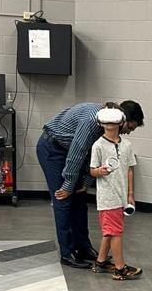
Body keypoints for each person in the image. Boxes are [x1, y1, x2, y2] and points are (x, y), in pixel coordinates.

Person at [36, 99, 144, 268]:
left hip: (68, 150)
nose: (128, 132)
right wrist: (68, 185)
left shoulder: (106, 127)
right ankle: (67, 253)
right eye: (129, 127)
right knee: (63, 199)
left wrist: (86, 183)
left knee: (80, 198)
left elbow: (90, 158)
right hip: (53, 148)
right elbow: (77, 153)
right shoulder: (93, 121)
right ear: (121, 119)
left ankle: (83, 248)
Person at [89, 105, 142, 280]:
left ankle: (101, 262)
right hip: (107, 197)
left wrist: (130, 194)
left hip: (121, 197)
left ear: (121, 123)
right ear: (101, 123)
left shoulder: (127, 145)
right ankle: (120, 268)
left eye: (113, 122)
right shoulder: (98, 145)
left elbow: (129, 169)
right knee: (116, 232)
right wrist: (99, 171)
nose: (109, 125)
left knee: (110, 231)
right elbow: (92, 171)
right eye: (106, 122)